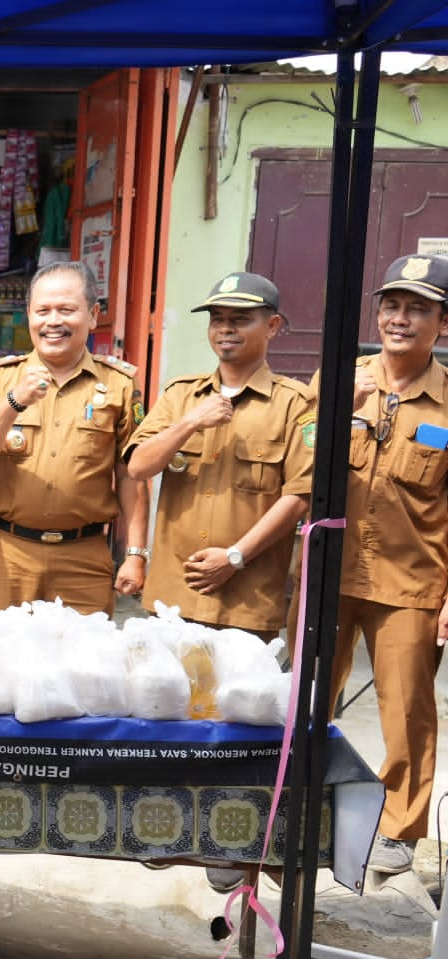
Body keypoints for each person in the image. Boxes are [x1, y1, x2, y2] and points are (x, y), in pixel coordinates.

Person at [323, 253, 448, 875]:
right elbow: (298, 467)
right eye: (393, 306)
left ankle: (399, 829)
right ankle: (295, 801)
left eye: (418, 308)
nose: (400, 319)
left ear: (442, 325)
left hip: (412, 581)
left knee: (406, 709)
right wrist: (342, 402)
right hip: (330, 573)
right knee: (308, 695)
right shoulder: (340, 380)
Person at [127, 273, 313, 638]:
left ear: (272, 326)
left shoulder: (296, 403)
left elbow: (299, 496)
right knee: (165, 696)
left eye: (241, 319)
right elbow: (138, 466)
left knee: (236, 697)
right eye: (218, 319)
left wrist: (234, 557)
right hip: (172, 598)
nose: (225, 329)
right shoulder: (181, 395)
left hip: (245, 602)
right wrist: (190, 422)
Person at [0, 260, 148, 615]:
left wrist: (136, 554)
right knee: (2, 663)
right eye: (42, 311)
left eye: (67, 310)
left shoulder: (119, 385)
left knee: (82, 667)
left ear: (93, 315)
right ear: (29, 315)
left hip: (84, 557)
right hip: (8, 554)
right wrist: (14, 402)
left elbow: (131, 475)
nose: (53, 322)